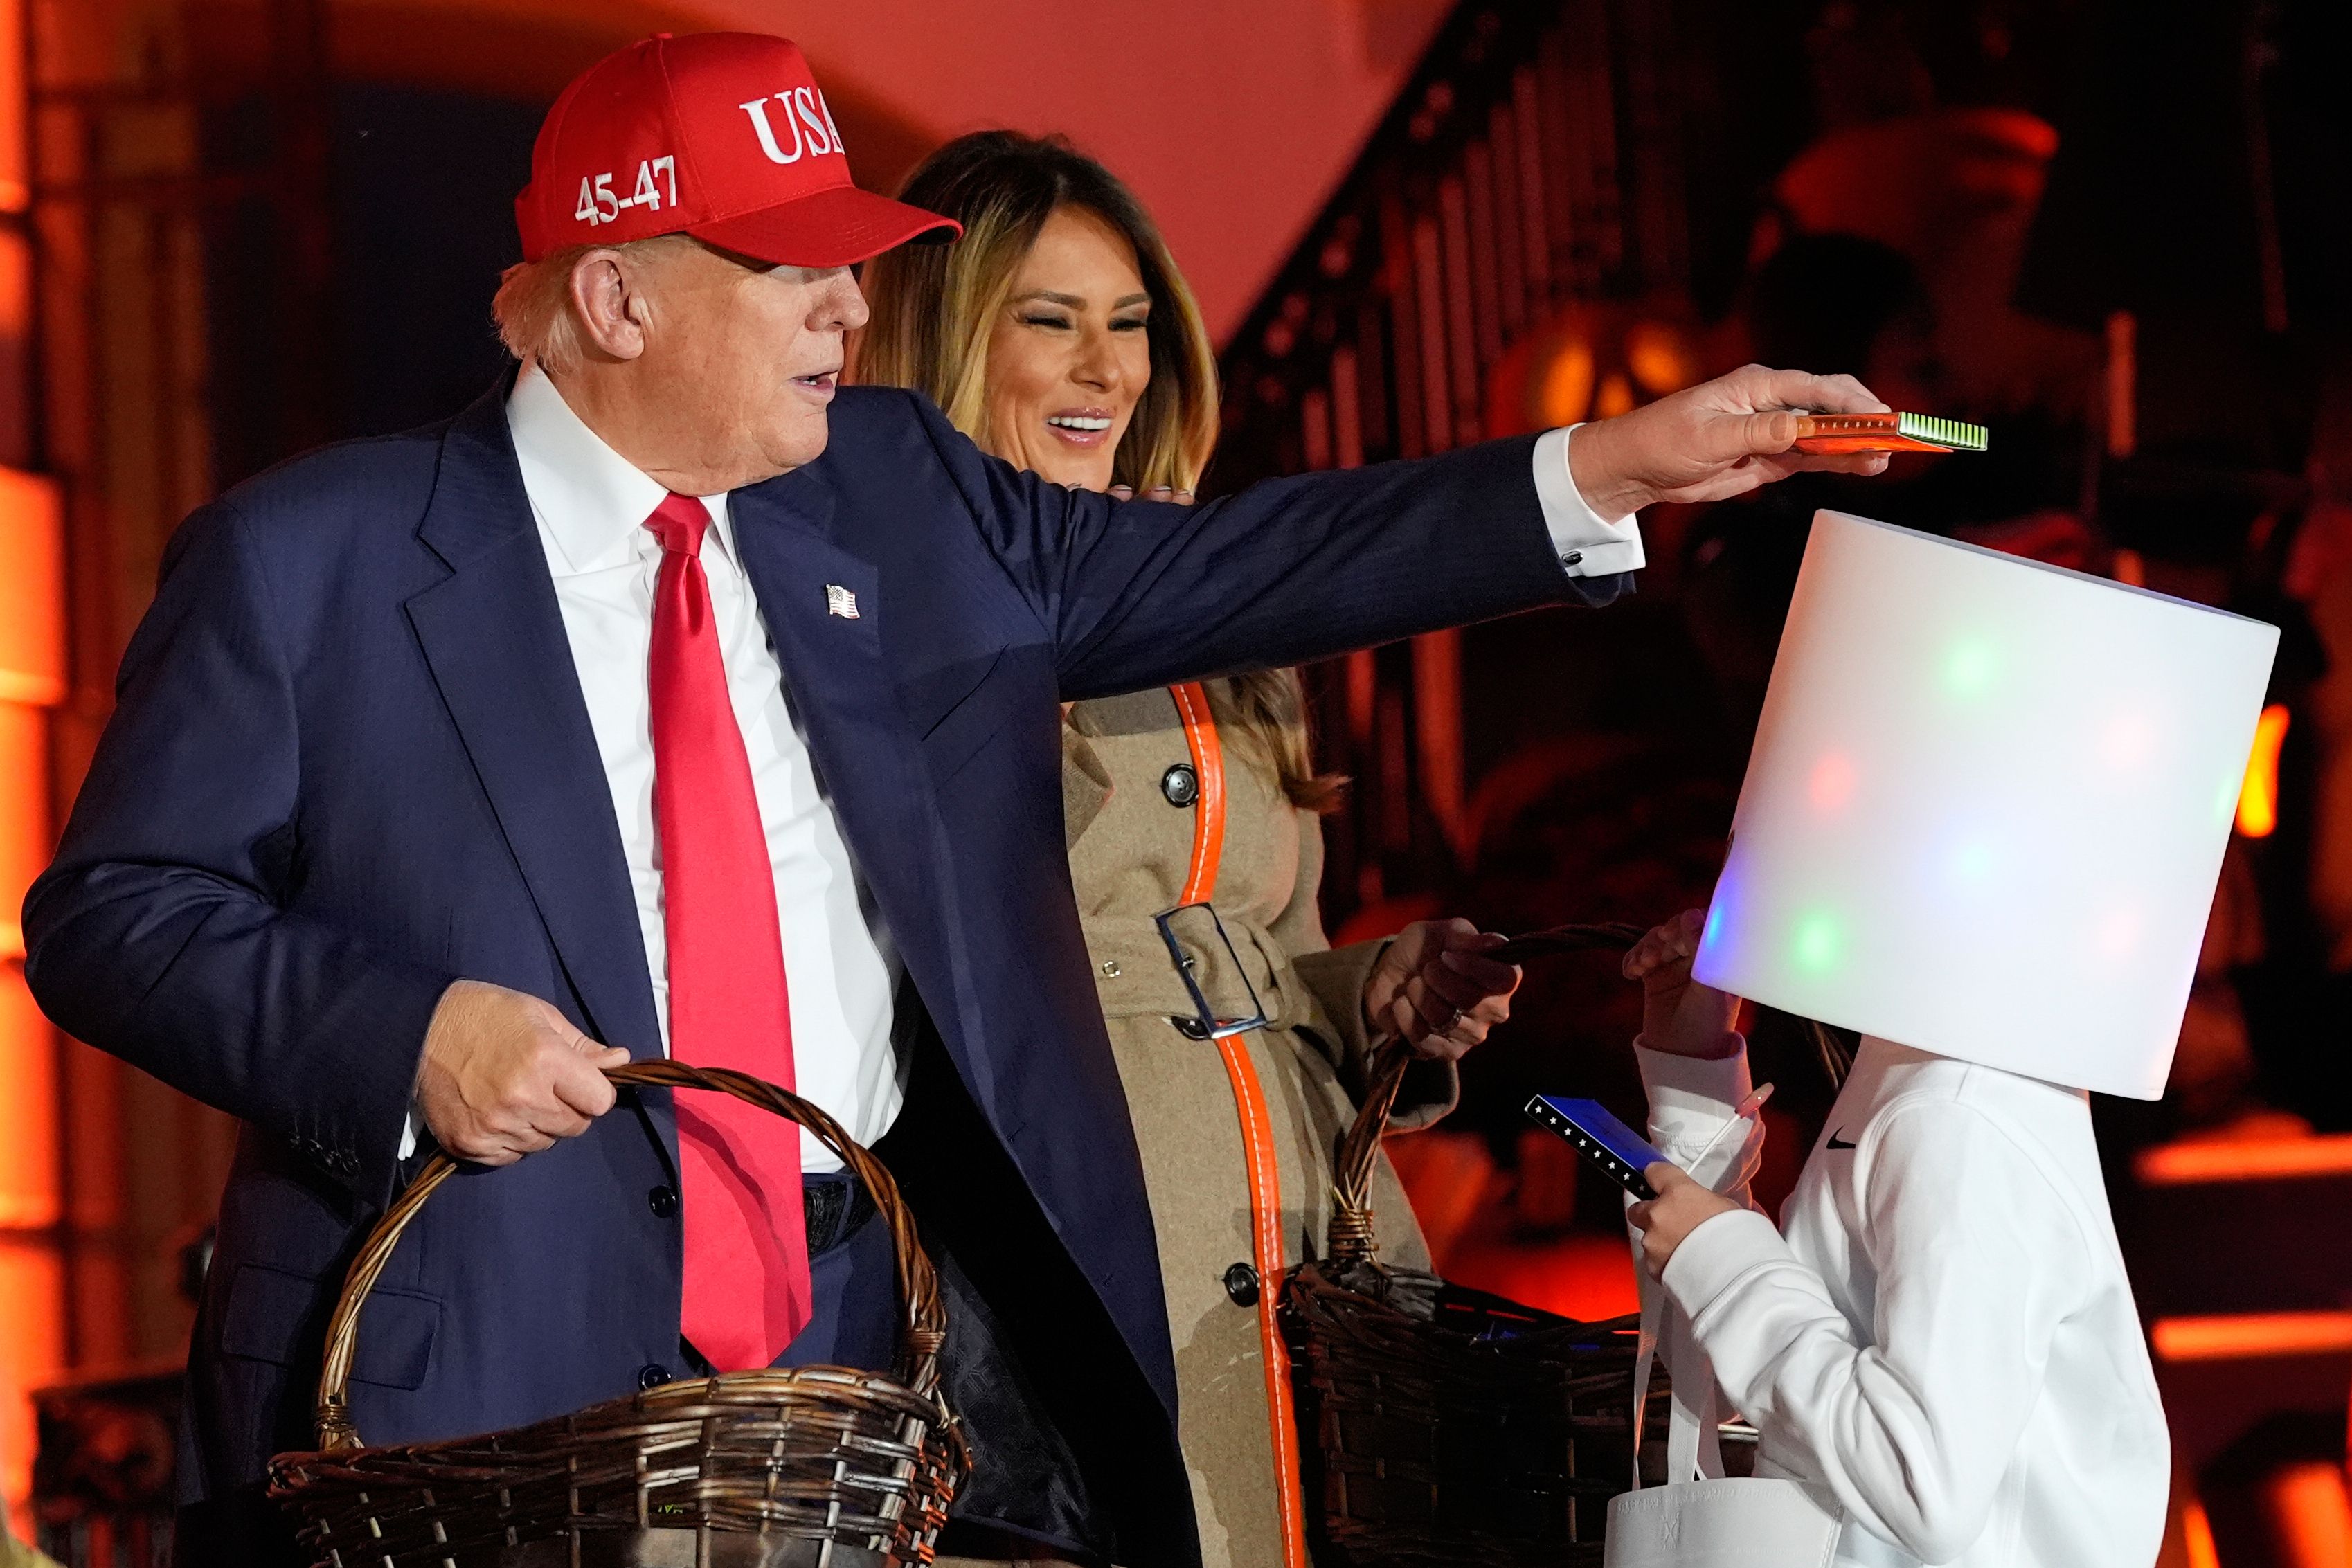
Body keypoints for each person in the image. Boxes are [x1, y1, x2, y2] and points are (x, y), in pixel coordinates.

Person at [19, 30, 1889, 1568]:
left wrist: (1602, 471)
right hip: (479, 1373)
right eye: (791, 267)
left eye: (850, 257)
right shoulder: (314, 559)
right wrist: (401, 1031)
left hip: (853, 1360)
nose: (850, 306)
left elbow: (1242, 561)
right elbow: (109, 913)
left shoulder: (897, 495)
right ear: (612, 298)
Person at [854, 131, 1523, 1568]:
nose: (1107, 368)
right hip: (1066, 1240)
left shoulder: (1230, 612)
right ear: (947, 339)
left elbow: (1272, 948)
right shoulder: (887, 610)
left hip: (1291, 1246)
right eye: (1052, 321)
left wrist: (1382, 992)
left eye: (1132, 325)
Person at [1615, 908, 2171, 1568]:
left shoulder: (1954, 1112)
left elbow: (1921, 1479)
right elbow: (1793, 1382)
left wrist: (1723, 1265)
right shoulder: (1926, 1063)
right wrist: (1694, 1079)